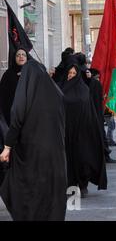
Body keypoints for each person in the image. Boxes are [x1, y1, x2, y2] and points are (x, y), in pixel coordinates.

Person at [0, 60, 67, 221]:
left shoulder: (26, 95)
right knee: (50, 192)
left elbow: (16, 119)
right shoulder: (57, 94)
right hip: (56, 153)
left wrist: (7, 146)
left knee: (26, 188)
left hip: (32, 152)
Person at [59, 64, 107, 197]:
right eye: (69, 73)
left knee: (82, 158)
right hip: (67, 132)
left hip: (82, 132)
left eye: (74, 73)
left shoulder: (84, 90)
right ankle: (71, 185)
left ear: (78, 75)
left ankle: (83, 185)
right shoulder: (61, 89)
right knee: (68, 160)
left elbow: (89, 111)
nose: (71, 76)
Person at [85, 68, 116, 164]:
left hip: (92, 115)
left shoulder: (87, 84)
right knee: (102, 135)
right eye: (98, 77)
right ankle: (105, 155)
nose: (99, 79)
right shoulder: (95, 84)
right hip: (97, 115)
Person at [0, 48, 31, 126]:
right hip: (13, 115)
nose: (21, 57)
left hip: (30, 114)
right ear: (14, 58)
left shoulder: (31, 73)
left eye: (23, 55)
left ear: (27, 58)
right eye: (18, 55)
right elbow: (3, 96)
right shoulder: (8, 74)